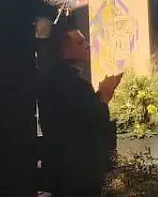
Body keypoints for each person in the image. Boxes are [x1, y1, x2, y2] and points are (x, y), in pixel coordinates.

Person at [37, 27, 120, 197]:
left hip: (60, 170)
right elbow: (95, 122)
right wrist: (104, 96)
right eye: (80, 42)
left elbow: (78, 113)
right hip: (80, 172)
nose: (87, 45)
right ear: (64, 52)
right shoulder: (76, 85)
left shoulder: (49, 81)